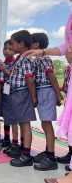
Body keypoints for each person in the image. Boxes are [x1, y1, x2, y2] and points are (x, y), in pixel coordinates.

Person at [24, 0, 72, 183]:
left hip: (46, 94)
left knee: (50, 124)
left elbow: (51, 76)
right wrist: (43, 52)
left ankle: (54, 160)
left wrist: (57, 94)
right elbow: (66, 47)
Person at [29, 33, 62, 171]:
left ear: (36, 45)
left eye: (31, 43)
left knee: (47, 124)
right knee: (44, 122)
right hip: (42, 90)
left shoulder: (44, 58)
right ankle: (48, 152)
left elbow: (51, 76)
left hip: (46, 90)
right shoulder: (37, 59)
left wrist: (58, 95)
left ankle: (51, 159)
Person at [8, 30, 37, 167]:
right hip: (16, 94)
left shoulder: (25, 58)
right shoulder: (19, 58)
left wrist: (33, 98)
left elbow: (29, 79)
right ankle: (22, 149)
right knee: (21, 123)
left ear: (22, 44)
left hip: (22, 93)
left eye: (13, 44)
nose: (11, 46)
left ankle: (26, 155)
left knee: (25, 124)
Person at [0, 40, 20, 157]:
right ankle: (6, 139)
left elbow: (13, 77)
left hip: (12, 93)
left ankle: (15, 143)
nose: (7, 51)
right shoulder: (3, 62)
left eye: (10, 49)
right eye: (5, 49)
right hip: (4, 92)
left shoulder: (15, 62)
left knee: (13, 119)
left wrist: (5, 70)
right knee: (6, 117)